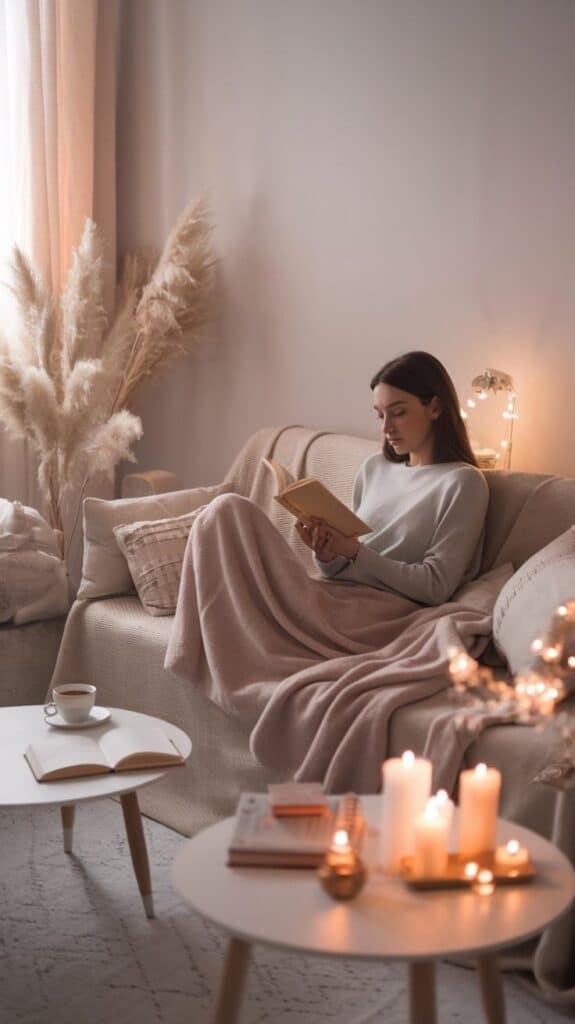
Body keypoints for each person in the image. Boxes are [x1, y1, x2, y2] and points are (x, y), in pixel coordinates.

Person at [295, 350, 488, 605]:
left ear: (435, 407)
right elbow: (341, 570)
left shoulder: (463, 482)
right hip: (334, 594)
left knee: (232, 509)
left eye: (398, 413)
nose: (386, 428)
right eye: (380, 414)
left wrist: (355, 551)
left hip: (375, 609)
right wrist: (327, 554)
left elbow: (436, 586)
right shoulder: (373, 468)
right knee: (233, 512)